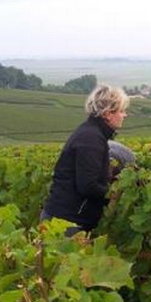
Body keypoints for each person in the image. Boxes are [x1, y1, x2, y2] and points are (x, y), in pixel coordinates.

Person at [41, 84, 130, 236]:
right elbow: (88, 186)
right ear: (108, 113)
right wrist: (115, 195)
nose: (125, 115)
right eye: (122, 111)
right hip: (67, 223)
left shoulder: (92, 133)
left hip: (65, 219)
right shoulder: (91, 139)